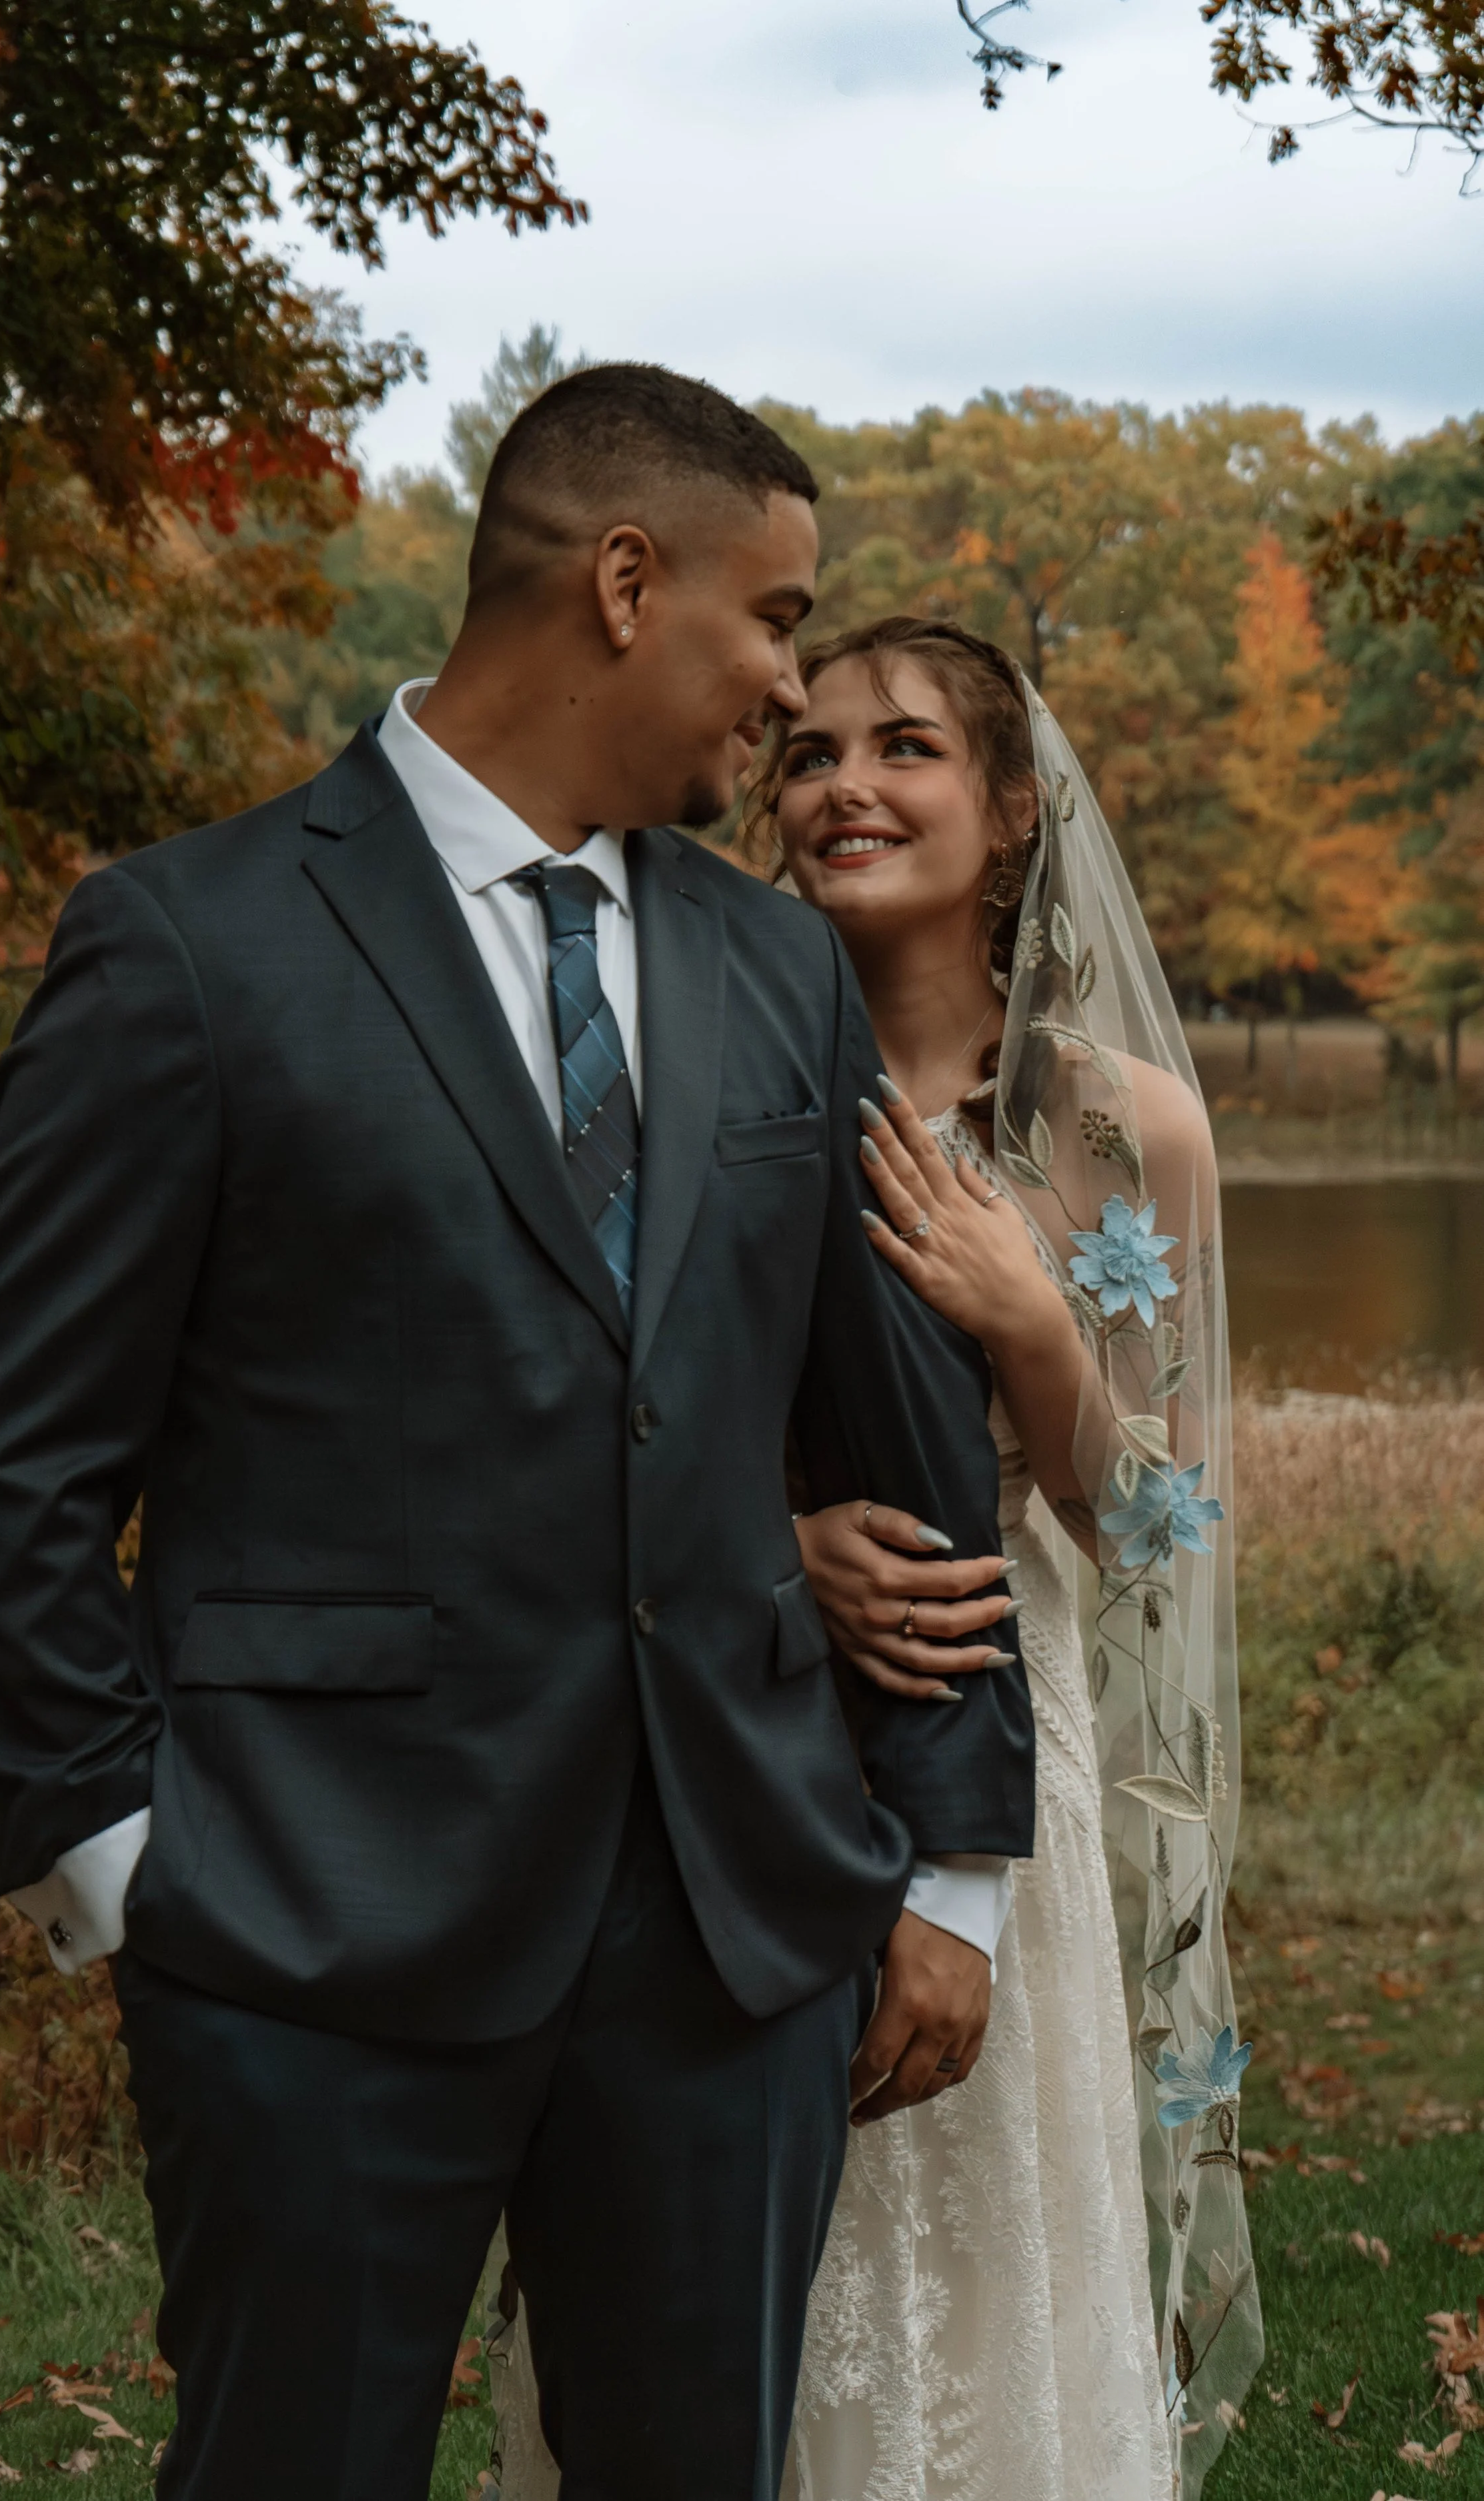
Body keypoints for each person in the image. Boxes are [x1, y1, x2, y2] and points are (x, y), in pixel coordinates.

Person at [0, 373, 1035, 2501]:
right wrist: (125, 1868)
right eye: (774, 616)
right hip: (304, 1927)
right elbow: (12, 1457)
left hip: (730, 1944)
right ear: (626, 582)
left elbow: (896, 1438)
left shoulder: (775, 968)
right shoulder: (189, 945)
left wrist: (954, 1865)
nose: (790, 684)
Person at [496, 617, 1263, 2501]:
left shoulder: (1113, 1123)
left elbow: (1157, 1523)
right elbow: (550, 1432)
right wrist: (766, 1549)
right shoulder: (664, 1079)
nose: (844, 782)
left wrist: (1025, 1320)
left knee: (987, 2244)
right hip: (714, 1725)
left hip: (1002, 1725)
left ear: (1009, 810)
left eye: (906, 747)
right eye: (813, 748)